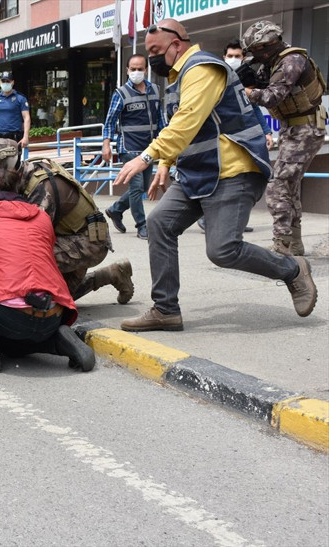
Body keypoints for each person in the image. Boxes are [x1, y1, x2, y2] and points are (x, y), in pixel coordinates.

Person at [114, 20, 318, 332]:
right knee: (159, 223)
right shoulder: (178, 78)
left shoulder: (202, 68)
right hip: (198, 173)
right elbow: (179, 126)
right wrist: (166, 162)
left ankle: (293, 269)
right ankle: (165, 310)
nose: (151, 59)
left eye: (156, 51)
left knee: (223, 250)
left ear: (176, 44)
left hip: (232, 169)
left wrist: (147, 157)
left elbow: (188, 119)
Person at [0, 167, 94, 373]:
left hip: (6, 315)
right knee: (14, 345)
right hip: (53, 313)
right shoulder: (41, 215)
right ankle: (57, 342)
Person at [0, 139, 134, 306]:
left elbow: (29, 244)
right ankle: (112, 274)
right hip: (69, 236)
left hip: (90, 243)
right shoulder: (24, 174)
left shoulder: (41, 189)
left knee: (41, 292)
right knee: (59, 301)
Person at [238, 20, 327, 256]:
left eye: (257, 49)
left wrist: (244, 91)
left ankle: (282, 244)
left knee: (278, 187)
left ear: (268, 45)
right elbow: (265, 85)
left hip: (306, 128)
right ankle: (293, 243)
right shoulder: (273, 62)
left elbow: (272, 97)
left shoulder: (291, 61)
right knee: (289, 187)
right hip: (294, 128)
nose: (256, 55)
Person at [198, 38, 274, 233]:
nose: (233, 59)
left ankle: (236, 221)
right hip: (220, 138)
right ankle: (206, 219)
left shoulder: (245, 79)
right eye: (230, 56)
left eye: (237, 56)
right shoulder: (216, 76)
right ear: (224, 57)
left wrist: (266, 131)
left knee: (242, 181)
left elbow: (254, 109)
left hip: (242, 138)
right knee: (217, 180)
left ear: (243, 57)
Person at [102, 54, 165, 240]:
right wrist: (106, 144)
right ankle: (141, 225)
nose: (136, 72)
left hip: (148, 148)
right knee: (137, 186)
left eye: (140, 69)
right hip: (129, 148)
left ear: (146, 70)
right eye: (133, 69)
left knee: (143, 187)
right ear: (127, 70)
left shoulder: (155, 90)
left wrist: (165, 142)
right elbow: (109, 121)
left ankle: (116, 209)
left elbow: (160, 119)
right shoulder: (121, 93)